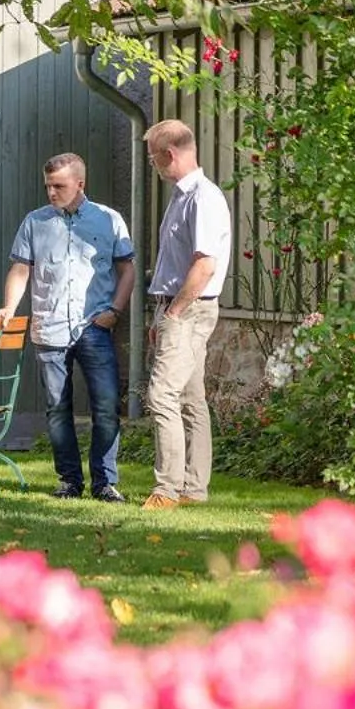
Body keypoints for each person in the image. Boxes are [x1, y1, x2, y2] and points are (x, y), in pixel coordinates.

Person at [0, 152, 137, 502]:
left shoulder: (109, 220)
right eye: (48, 186)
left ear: (80, 184)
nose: (51, 192)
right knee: (57, 408)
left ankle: (105, 483)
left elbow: (127, 270)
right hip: (50, 327)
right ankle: (70, 481)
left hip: (94, 326)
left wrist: (115, 311)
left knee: (106, 406)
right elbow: (20, 270)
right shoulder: (35, 222)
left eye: (59, 186)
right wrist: (9, 307)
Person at [142, 119, 232, 510]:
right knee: (191, 398)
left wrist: (174, 313)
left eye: (153, 158)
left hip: (189, 309)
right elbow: (175, 263)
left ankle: (167, 490)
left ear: (170, 154)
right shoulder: (182, 196)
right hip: (176, 306)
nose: (152, 165)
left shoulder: (203, 198)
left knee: (162, 394)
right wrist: (159, 315)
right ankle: (194, 489)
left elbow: (204, 265)